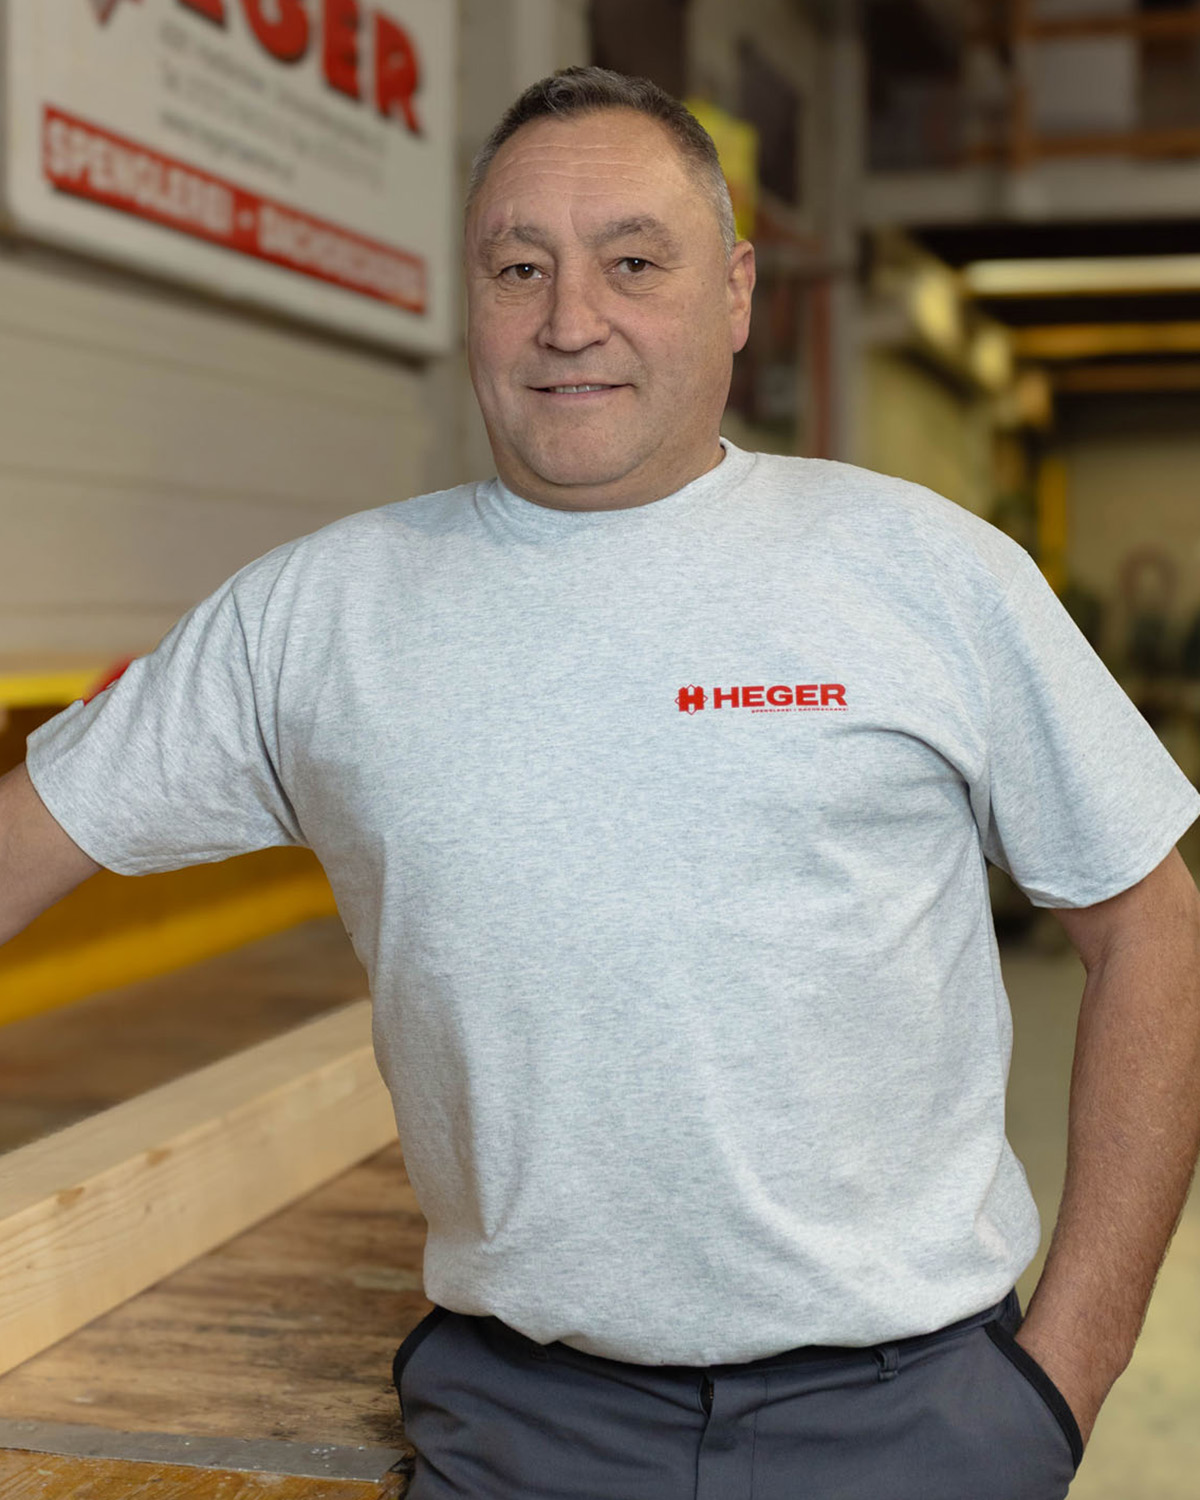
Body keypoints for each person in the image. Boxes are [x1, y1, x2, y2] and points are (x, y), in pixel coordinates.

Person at [3, 65, 1200, 1500]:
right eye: (521, 269)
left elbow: (1154, 928)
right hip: (524, 1426)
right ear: (471, 297)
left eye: (635, 262)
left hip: (910, 1416)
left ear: (739, 291)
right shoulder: (318, 616)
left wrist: (1064, 1374)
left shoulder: (926, 571)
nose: (571, 322)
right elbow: (25, 842)